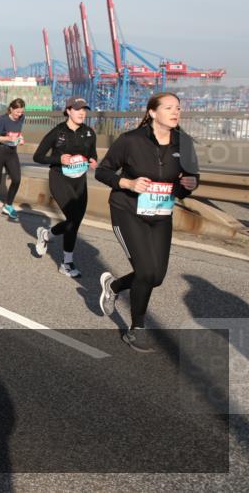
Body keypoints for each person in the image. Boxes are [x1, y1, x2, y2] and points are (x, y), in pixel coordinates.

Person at [96, 93, 199, 353]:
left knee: (157, 276)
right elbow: (103, 170)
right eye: (168, 108)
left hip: (161, 214)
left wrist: (190, 185)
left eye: (178, 107)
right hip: (127, 210)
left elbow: (189, 179)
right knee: (145, 271)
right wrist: (128, 183)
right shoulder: (130, 140)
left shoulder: (184, 143)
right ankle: (137, 329)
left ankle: (114, 286)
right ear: (152, 113)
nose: (175, 112)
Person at [32, 97, 98, 277]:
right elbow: (37, 156)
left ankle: (46, 235)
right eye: (77, 109)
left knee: (74, 222)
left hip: (79, 181)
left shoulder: (89, 132)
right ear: (68, 110)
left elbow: (92, 154)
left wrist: (93, 160)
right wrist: (58, 159)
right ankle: (67, 263)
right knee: (73, 218)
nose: (82, 113)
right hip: (60, 178)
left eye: (84, 109)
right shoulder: (57, 132)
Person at [0, 98, 26, 220]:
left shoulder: (22, 118)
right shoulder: (2, 119)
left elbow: (18, 133)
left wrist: (20, 138)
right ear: (11, 109)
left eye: (21, 112)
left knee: (16, 179)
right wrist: (9, 138)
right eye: (17, 112)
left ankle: (8, 205)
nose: (19, 114)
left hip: (11, 152)